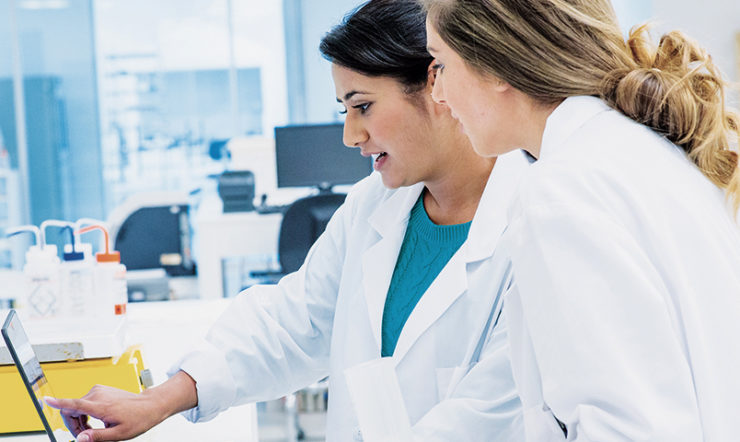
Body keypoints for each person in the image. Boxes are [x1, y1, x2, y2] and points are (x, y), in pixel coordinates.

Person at [46, 1, 528, 441]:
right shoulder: (371, 209)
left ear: (437, 82)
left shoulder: (532, 222)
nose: (349, 135)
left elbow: (490, 413)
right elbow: (294, 322)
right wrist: (159, 400)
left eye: (363, 106)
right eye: (344, 110)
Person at [422, 0, 740, 440]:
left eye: (440, 65)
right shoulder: (643, 152)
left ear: (495, 67)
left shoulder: (561, 189)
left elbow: (626, 429)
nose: (437, 93)